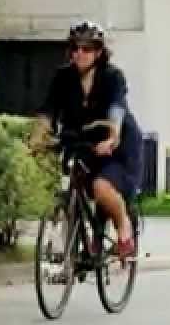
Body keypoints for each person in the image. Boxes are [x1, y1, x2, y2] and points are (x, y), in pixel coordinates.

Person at [29, 21, 143, 261]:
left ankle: (124, 230)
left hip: (116, 146)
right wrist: (36, 139)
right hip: (81, 141)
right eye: (75, 48)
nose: (80, 53)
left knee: (101, 187)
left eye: (87, 48)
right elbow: (48, 110)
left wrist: (113, 135)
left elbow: (116, 107)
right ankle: (79, 248)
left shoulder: (112, 76)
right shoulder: (63, 77)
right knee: (74, 183)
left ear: (99, 52)